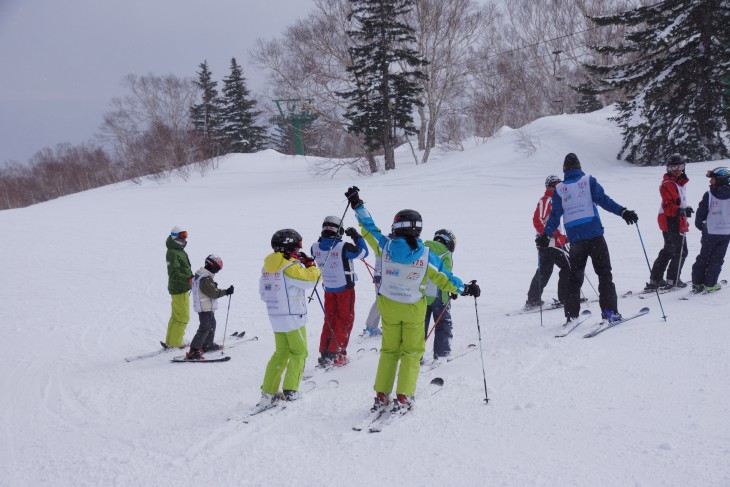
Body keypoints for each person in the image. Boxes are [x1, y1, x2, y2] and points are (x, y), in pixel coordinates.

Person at [345, 186, 480, 416]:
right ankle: (403, 396)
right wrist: (466, 288)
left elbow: (369, 228)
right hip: (412, 310)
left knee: (389, 351)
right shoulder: (427, 256)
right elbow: (446, 280)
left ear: (396, 229)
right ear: (418, 231)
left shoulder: (384, 245)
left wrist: (357, 205)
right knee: (411, 352)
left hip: (388, 306)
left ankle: (381, 394)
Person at [538, 153, 639, 324]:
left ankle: (571, 315)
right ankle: (609, 312)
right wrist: (623, 212)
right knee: (604, 274)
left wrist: (545, 235)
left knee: (574, 277)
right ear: (579, 166)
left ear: (564, 170)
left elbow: (554, 215)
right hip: (595, 236)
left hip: (576, 240)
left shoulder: (559, 190)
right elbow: (604, 201)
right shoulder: (588, 181)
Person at [256, 229, 321, 409]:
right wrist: (310, 265)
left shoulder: (267, 267)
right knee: (299, 352)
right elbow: (312, 280)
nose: (299, 250)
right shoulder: (290, 267)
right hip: (293, 318)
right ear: (290, 246)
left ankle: (268, 391)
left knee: (281, 354)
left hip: (276, 317)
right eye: (298, 246)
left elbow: (263, 293)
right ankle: (291, 390)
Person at [311, 216, 369, 367]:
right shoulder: (343, 247)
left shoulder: (314, 247)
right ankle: (337, 354)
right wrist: (356, 236)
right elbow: (363, 252)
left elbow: (321, 247)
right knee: (344, 320)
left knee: (330, 320)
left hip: (329, 289)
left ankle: (325, 353)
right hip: (345, 290)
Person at [645, 154, 692, 290]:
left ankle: (657, 278)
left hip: (676, 218)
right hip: (670, 219)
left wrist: (684, 209)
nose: (677, 169)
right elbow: (668, 205)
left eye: (680, 166)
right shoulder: (668, 184)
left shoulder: (679, 183)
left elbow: (678, 202)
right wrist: (681, 211)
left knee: (670, 249)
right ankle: (672, 278)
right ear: (668, 168)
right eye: (673, 167)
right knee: (680, 251)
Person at [525, 175, 570, 310]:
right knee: (569, 265)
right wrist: (553, 235)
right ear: (548, 186)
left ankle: (533, 299)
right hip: (551, 242)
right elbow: (538, 220)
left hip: (551, 242)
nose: (557, 186)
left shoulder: (556, 200)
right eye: (554, 184)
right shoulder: (547, 200)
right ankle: (566, 297)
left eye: (559, 184)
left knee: (545, 270)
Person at [185, 255, 234, 360]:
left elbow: (206, 288)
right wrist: (227, 291)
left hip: (206, 306)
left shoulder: (202, 274)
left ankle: (207, 345)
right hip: (204, 307)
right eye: (217, 269)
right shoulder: (205, 277)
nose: (217, 272)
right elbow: (213, 293)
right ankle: (193, 350)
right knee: (205, 327)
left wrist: (212, 285)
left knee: (212, 324)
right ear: (212, 266)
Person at [690, 167, 730, 293]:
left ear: (721, 180)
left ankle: (697, 282)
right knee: (717, 259)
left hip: (710, 232)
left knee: (704, 257)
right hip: (725, 233)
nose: (710, 181)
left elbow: (701, 212)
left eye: (712, 179)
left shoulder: (709, 195)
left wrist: (699, 224)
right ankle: (710, 284)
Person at [423, 229, 457, 362]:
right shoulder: (446, 254)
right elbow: (446, 277)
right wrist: (453, 290)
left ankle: (415, 354)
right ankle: (442, 353)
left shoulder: (423, 249)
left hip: (421, 295)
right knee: (443, 323)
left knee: (420, 324)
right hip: (439, 297)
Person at [165, 226, 193, 348]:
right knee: (183, 317)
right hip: (179, 288)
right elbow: (174, 273)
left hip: (181, 287)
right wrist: (188, 279)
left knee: (176, 316)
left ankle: (171, 342)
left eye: (186, 235)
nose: (185, 238)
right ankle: (176, 344)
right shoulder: (173, 252)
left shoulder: (178, 250)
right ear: (175, 236)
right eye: (182, 235)